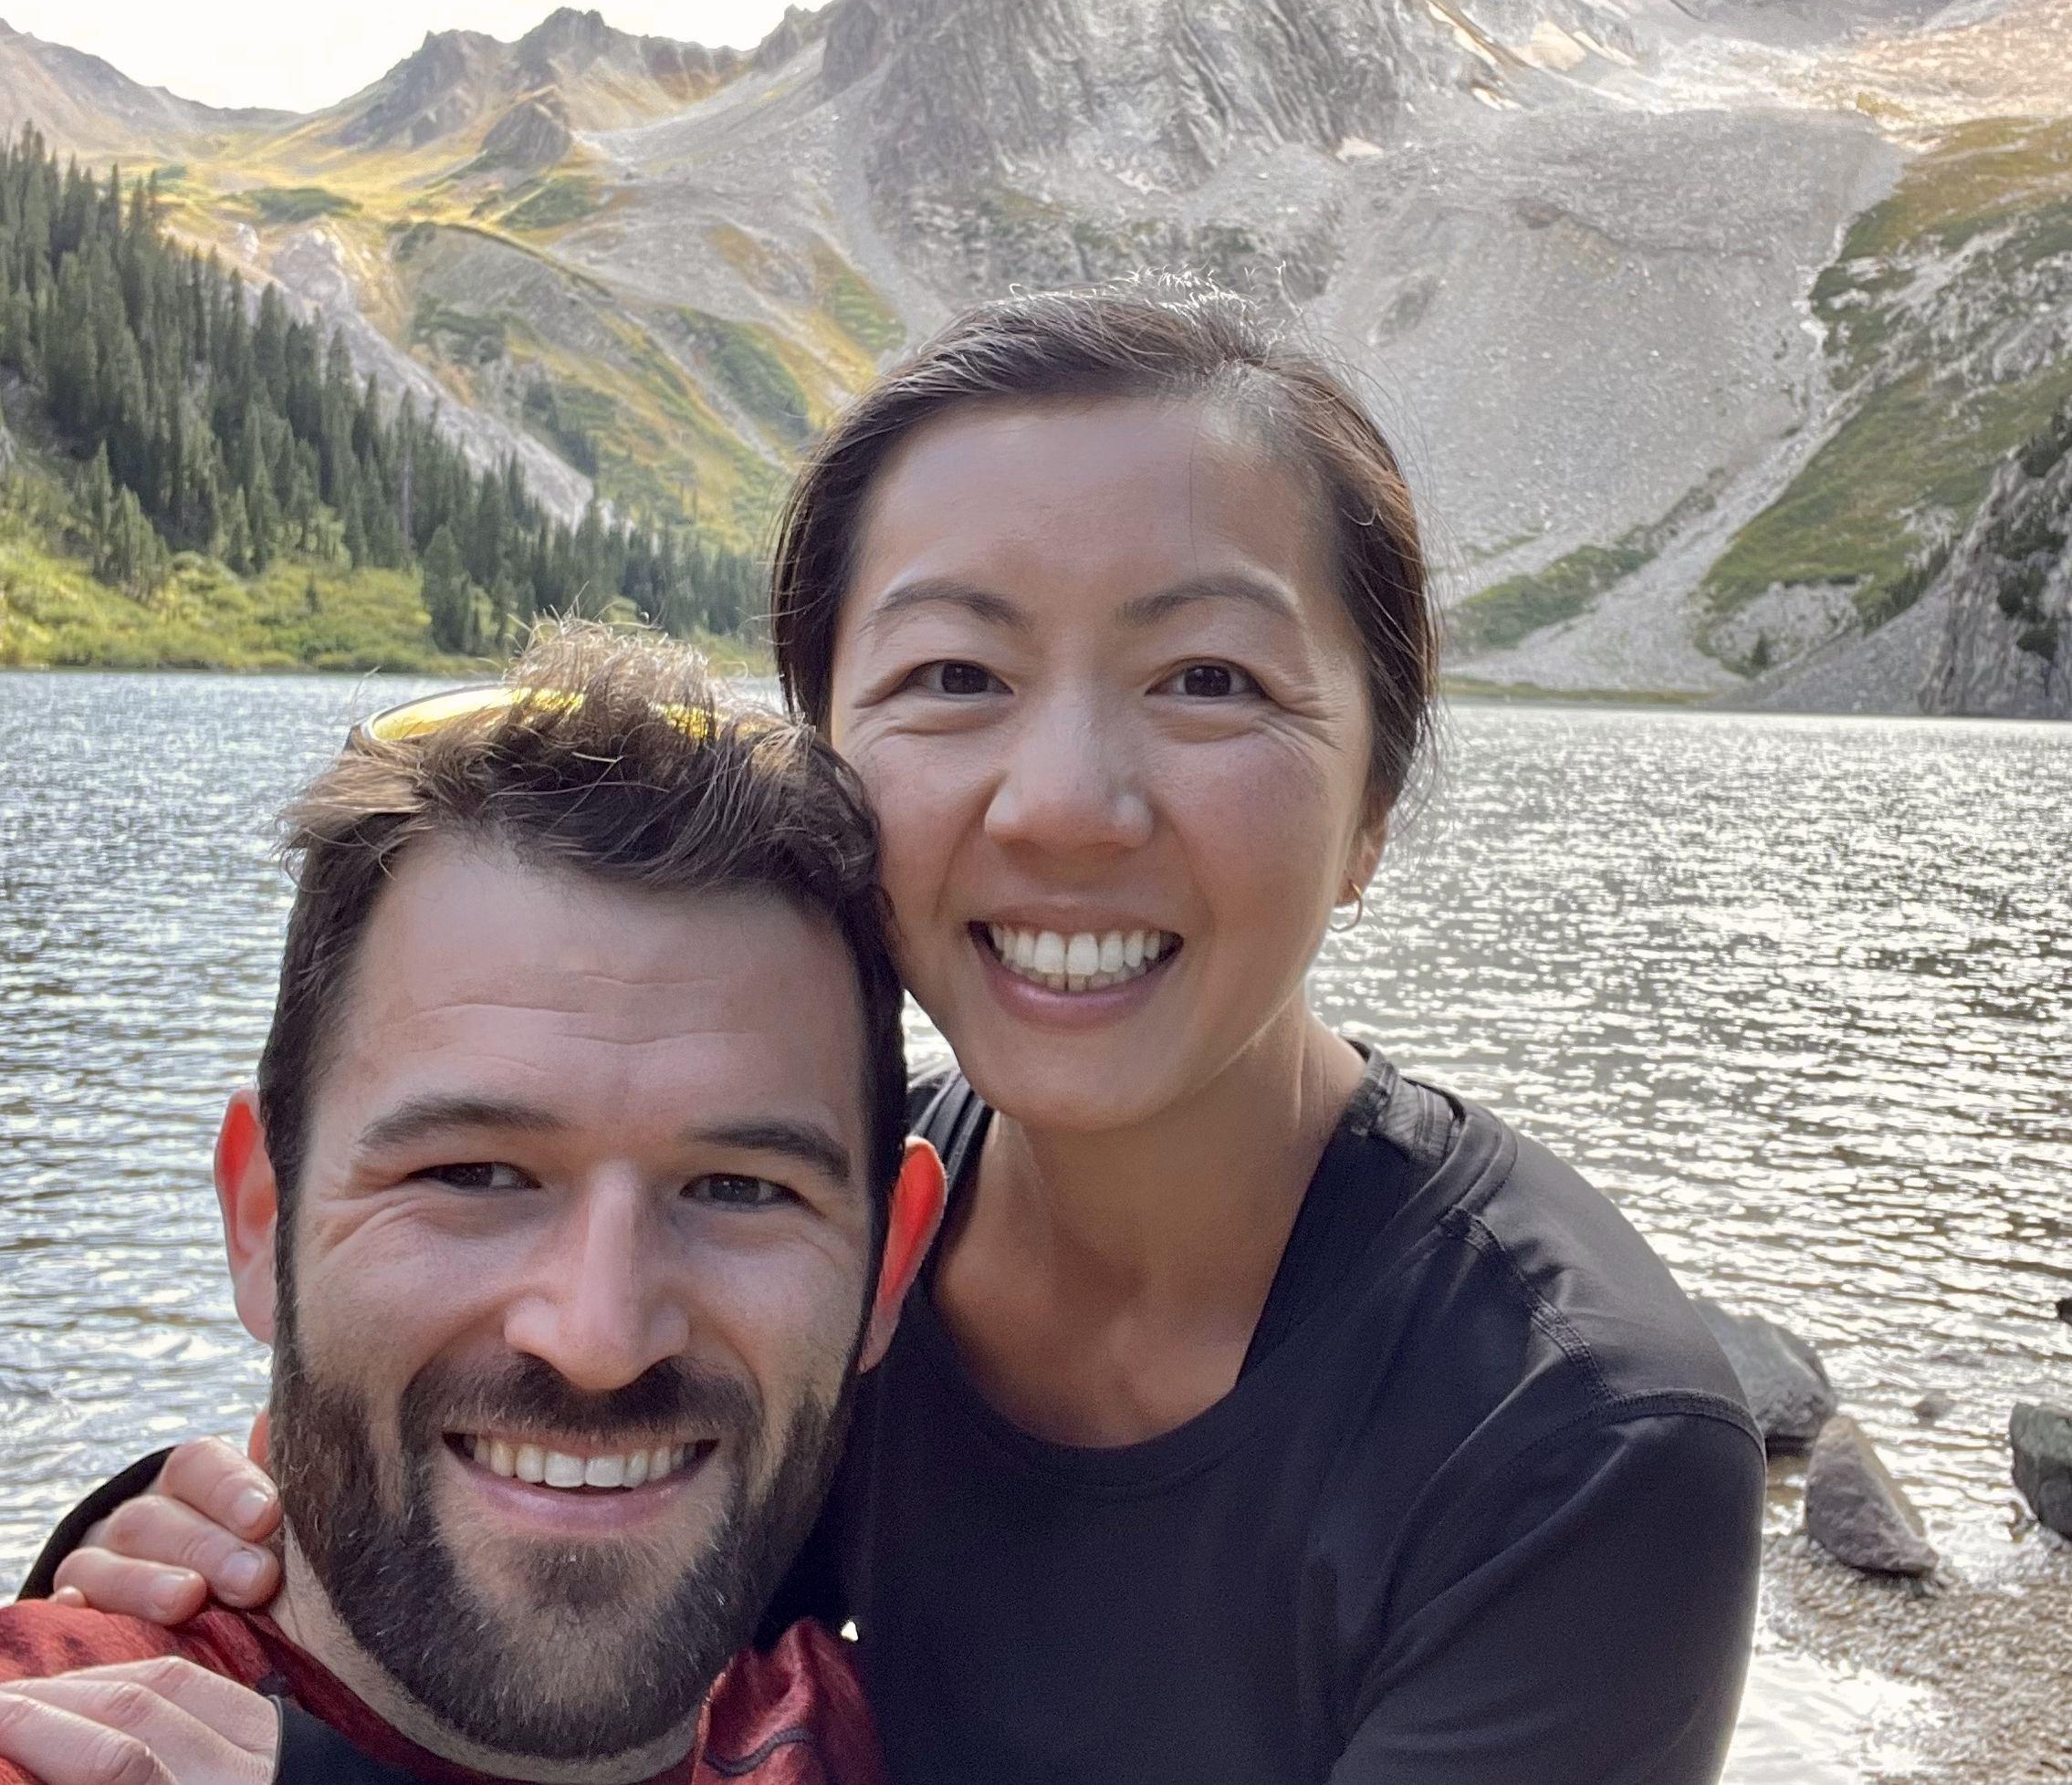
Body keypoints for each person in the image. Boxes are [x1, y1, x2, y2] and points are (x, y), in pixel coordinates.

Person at [26, 281, 1766, 1784]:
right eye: (953, 675)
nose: (1070, 801)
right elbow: (448, 1475)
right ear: (834, 766)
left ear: (1376, 802)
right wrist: (187, 1549)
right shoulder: (775, 1196)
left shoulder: (1567, 1438)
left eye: (1210, 678)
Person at [0, 626, 944, 1785]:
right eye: (472, 1176)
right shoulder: (64, 1733)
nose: (597, 1339)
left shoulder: (931, 1727)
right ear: (260, 1215)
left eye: (741, 1189)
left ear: (887, 1266)